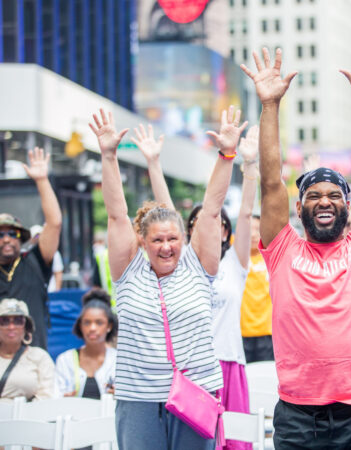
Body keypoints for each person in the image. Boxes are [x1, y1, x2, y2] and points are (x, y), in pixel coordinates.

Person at [240, 45, 351, 447]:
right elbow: (271, 182)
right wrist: (270, 105)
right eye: (314, 195)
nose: (324, 201)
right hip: (297, 412)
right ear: (299, 207)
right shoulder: (282, 250)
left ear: (347, 206)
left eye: (333, 195)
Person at [89, 107, 243, 449]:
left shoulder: (198, 267)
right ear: (142, 241)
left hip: (195, 391)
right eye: (157, 240)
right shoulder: (128, 273)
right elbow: (116, 214)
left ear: (183, 239)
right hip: (138, 397)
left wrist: (226, 154)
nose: (166, 247)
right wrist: (109, 155)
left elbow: (212, 206)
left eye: (172, 239)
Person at [186, 123, 259, 450]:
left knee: (234, 444)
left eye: (219, 226)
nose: (212, 231)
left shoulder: (234, 263)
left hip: (229, 361)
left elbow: (245, 213)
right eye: (203, 226)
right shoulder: (182, 266)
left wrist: (250, 165)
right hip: (192, 367)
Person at [0, 147, 62, 349]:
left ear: (21, 238)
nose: (7, 239)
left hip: (33, 359)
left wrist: (42, 181)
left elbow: (54, 223)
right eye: (0, 235)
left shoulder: (35, 261)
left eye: (13, 234)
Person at [54, 288, 117, 399]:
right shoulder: (65, 360)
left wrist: (121, 396)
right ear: (80, 325)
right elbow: (55, 398)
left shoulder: (119, 360)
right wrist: (62, 400)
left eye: (99, 323)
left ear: (109, 326)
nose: (92, 328)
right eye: (87, 323)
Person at [0, 298, 54, 401]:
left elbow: (47, 396)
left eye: (18, 321)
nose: (11, 327)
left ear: (26, 326)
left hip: (29, 415)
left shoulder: (40, 357)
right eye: (4, 321)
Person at [240, 215, 275, 363]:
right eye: (250, 229)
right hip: (241, 334)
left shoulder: (272, 257)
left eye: (258, 229)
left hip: (267, 334)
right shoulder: (235, 257)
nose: (254, 234)